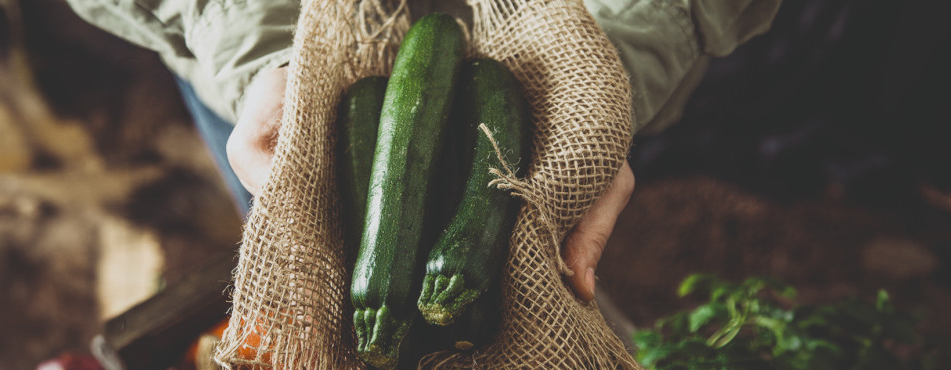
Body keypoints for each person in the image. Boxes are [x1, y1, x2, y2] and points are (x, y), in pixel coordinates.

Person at [65, 0, 782, 302]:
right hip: (277, 41)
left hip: (587, 27)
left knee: (557, 214)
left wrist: (609, 59)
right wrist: (254, 41)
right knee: (301, 196)